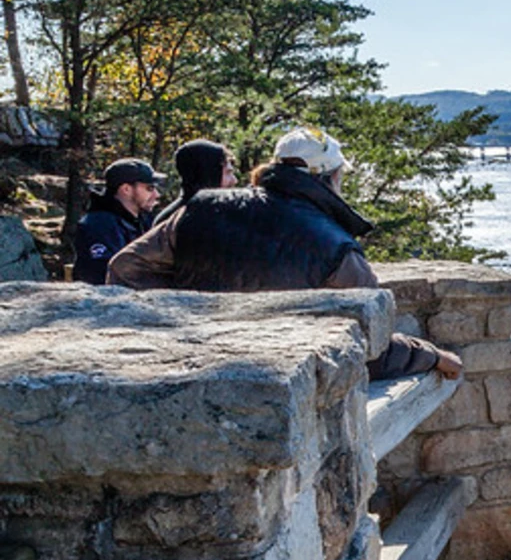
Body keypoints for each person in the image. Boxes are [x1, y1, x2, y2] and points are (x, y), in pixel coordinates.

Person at [108, 125, 461, 382]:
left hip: (195, 370)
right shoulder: (336, 249)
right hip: (281, 390)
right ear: (330, 178)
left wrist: (187, 316)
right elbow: (372, 347)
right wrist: (430, 355)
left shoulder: (201, 209)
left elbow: (125, 269)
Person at [73, 158, 164, 285]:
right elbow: (103, 276)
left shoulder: (144, 220)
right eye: (149, 188)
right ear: (126, 189)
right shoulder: (99, 226)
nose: (157, 195)